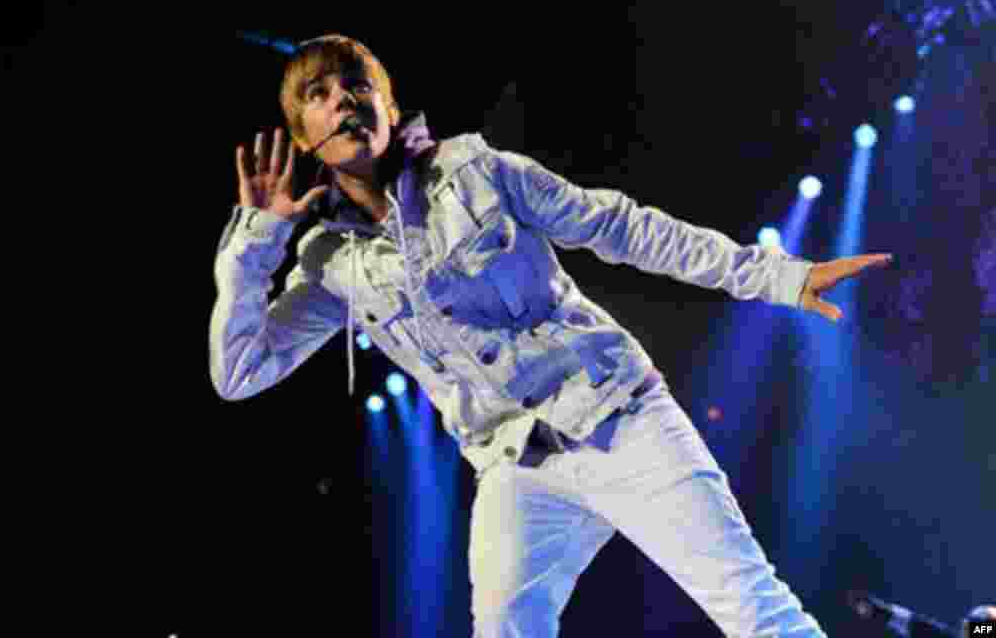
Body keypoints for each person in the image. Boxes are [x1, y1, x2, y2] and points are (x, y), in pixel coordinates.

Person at [210, 33, 893, 637]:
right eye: (321, 94)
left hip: (618, 417)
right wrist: (256, 242)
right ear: (304, 136)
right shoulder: (332, 264)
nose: (344, 101)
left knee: (754, 610)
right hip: (515, 464)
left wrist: (778, 278)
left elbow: (620, 226)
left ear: (389, 106)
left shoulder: (476, 171)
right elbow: (240, 372)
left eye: (358, 85)